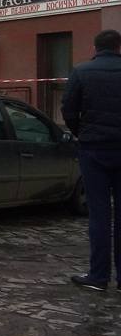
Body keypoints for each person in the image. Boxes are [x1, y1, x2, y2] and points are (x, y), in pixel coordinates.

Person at [62, 29, 121, 291]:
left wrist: (81, 132)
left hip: (94, 148)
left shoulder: (81, 72)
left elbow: (68, 108)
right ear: (118, 47)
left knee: (99, 214)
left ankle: (98, 275)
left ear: (96, 48)